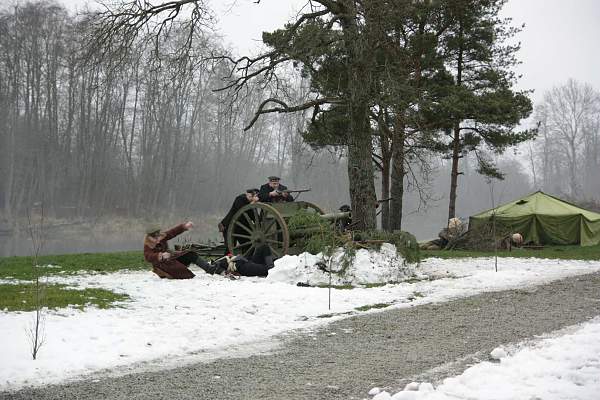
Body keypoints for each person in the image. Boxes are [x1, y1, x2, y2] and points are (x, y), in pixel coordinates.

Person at [144, 222, 224, 279]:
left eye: (158, 235)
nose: (158, 238)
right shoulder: (148, 245)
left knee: (190, 255)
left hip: (171, 260)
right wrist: (160, 256)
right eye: (155, 237)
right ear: (150, 237)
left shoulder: (162, 237)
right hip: (163, 267)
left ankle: (210, 269)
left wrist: (184, 226)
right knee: (184, 273)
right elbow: (148, 256)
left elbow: (173, 232)